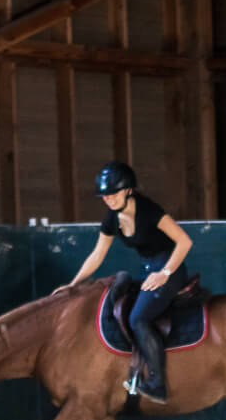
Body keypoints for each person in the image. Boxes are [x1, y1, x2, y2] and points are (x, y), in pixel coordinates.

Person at [61, 161, 195, 403]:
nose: (108, 199)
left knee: (138, 318)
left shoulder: (149, 211)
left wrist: (164, 273)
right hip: (148, 269)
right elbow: (97, 254)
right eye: (104, 196)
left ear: (128, 190)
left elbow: (184, 242)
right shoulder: (111, 218)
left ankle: (157, 383)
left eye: (113, 194)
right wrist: (73, 284)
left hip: (169, 268)